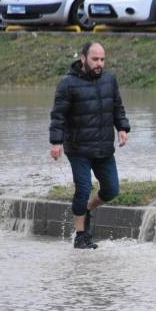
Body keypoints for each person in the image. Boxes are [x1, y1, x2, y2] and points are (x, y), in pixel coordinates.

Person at [49, 41, 130, 249]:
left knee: (111, 189)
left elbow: (117, 107)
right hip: (78, 148)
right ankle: (81, 235)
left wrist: (122, 128)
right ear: (83, 58)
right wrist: (56, 142)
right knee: (83, 188)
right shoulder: (67, 84)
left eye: (102, 59)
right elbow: (58, 116)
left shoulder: (109, 80)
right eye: (95, 59)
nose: (99, 64)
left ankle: (86, 210)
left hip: (103, 147)